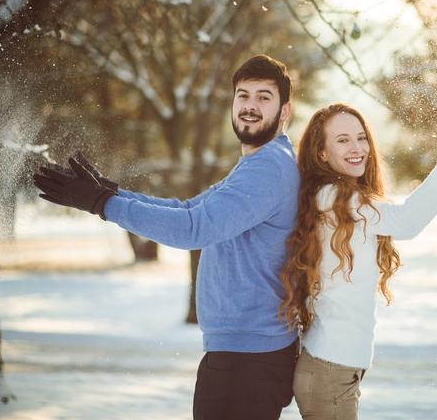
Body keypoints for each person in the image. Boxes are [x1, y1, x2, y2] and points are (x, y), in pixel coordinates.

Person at [33, 55, 300, 420]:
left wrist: (103, 203)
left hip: (249, 357)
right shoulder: (261, 163)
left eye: (264, 97)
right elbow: (189, 209)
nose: (250, 106)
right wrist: (112, 193)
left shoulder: (267, 169)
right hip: (246, 352)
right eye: (243, 95)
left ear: (285, 110)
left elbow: (193, 229)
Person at [279, 102, 437, 420]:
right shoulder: (338, 198)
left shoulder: (336, 198)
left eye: (361, 138)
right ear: (322, 153)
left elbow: (405, 217)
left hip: (332, 366)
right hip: (330, 369)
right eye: (342, 140)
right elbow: (407, 221)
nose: (357, 148)